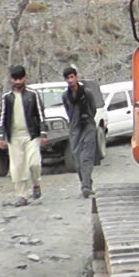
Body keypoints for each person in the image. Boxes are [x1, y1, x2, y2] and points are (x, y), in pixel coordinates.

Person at [0, 65, 47, 206]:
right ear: (11, 80)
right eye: (15, 79)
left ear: (25, 78)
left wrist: (43, 133)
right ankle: (22, 195)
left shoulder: (33, 94)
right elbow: (2, 117)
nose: (18, 82)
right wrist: (1, 136)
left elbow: (40, 114)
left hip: (31, 135)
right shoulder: (6, 98)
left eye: (20, 78)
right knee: (17, 167)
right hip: (14, 137)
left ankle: (36, 184)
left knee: (34, 163)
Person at [61, 66, 97, 198]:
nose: (70, 80)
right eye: (67, 78)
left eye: (72, 77)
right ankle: (86, 182)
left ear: (76, 77)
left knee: (86, 158)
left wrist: (87, 120)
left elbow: (93, 109)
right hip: (75, 128)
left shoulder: (87, 92)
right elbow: (68, 112)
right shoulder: (65, 96)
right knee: (77, 160)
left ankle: (85, 186)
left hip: (88, 126)